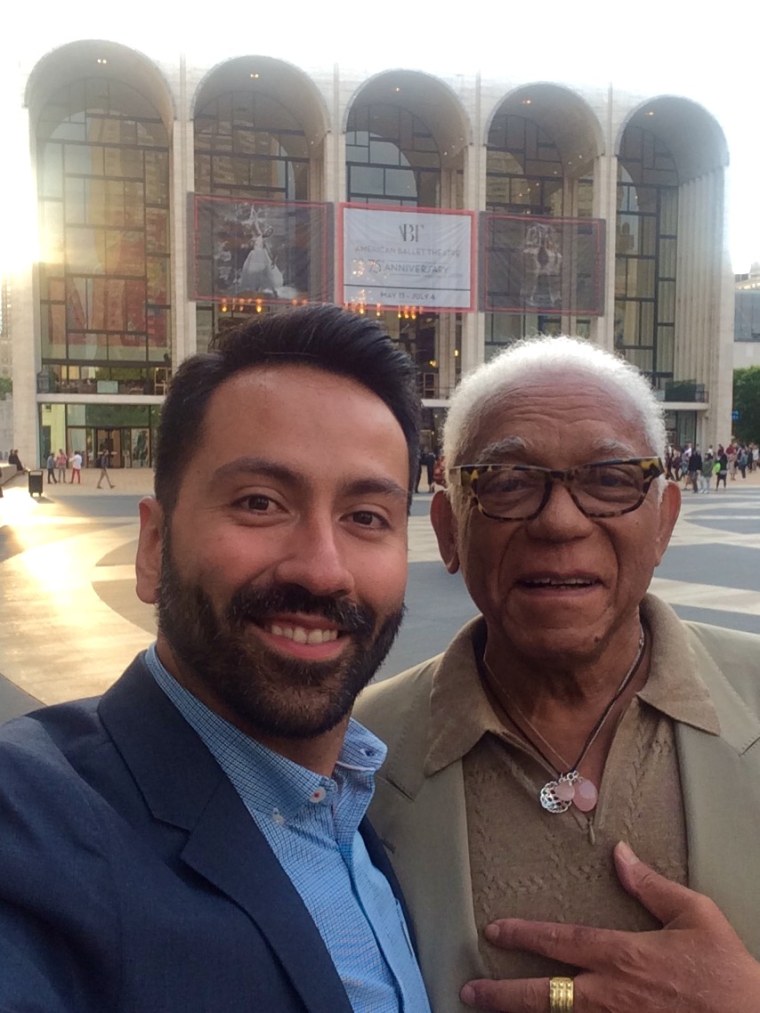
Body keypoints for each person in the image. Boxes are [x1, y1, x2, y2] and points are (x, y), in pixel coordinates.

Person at [0, 305, 431, 1013]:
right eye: (260, 502)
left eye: (366, 517)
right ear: (153, 545)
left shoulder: (360, 804)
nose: (323, 569)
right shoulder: (33, 821)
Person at [356, 334, 760, 1013]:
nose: (560, 521)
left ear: (663, 522)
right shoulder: (356, 756)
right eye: (509, 482)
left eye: (609, 479)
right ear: (450, 530)